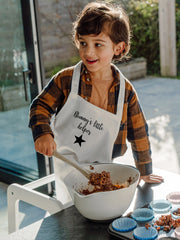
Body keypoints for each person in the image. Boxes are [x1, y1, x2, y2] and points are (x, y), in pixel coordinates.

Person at [29, 1, 163, 184]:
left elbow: (139, 133)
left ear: (118, 48)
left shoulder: (126, 92)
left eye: (98, 44)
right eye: (83, 43)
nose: (88, 51)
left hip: (105, 171)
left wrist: (145, 171)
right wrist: (42, 133)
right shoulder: (66, 79)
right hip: (66, 168)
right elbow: (40, 106)